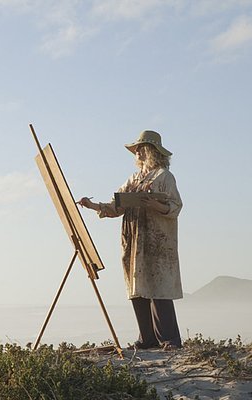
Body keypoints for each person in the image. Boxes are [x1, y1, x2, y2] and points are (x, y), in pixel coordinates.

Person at [78, 130, 183, 350]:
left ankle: (169, 339)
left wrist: (154, 205)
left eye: (139, 149)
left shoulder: (164, 176)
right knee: (138, 287)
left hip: (157, 240)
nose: (136, 153)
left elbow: (175, 206)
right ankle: (147, 338)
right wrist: (92, 206)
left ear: (149, 151)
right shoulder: (134, 179)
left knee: (159, 287)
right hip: (134, 239)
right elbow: (117, 206)